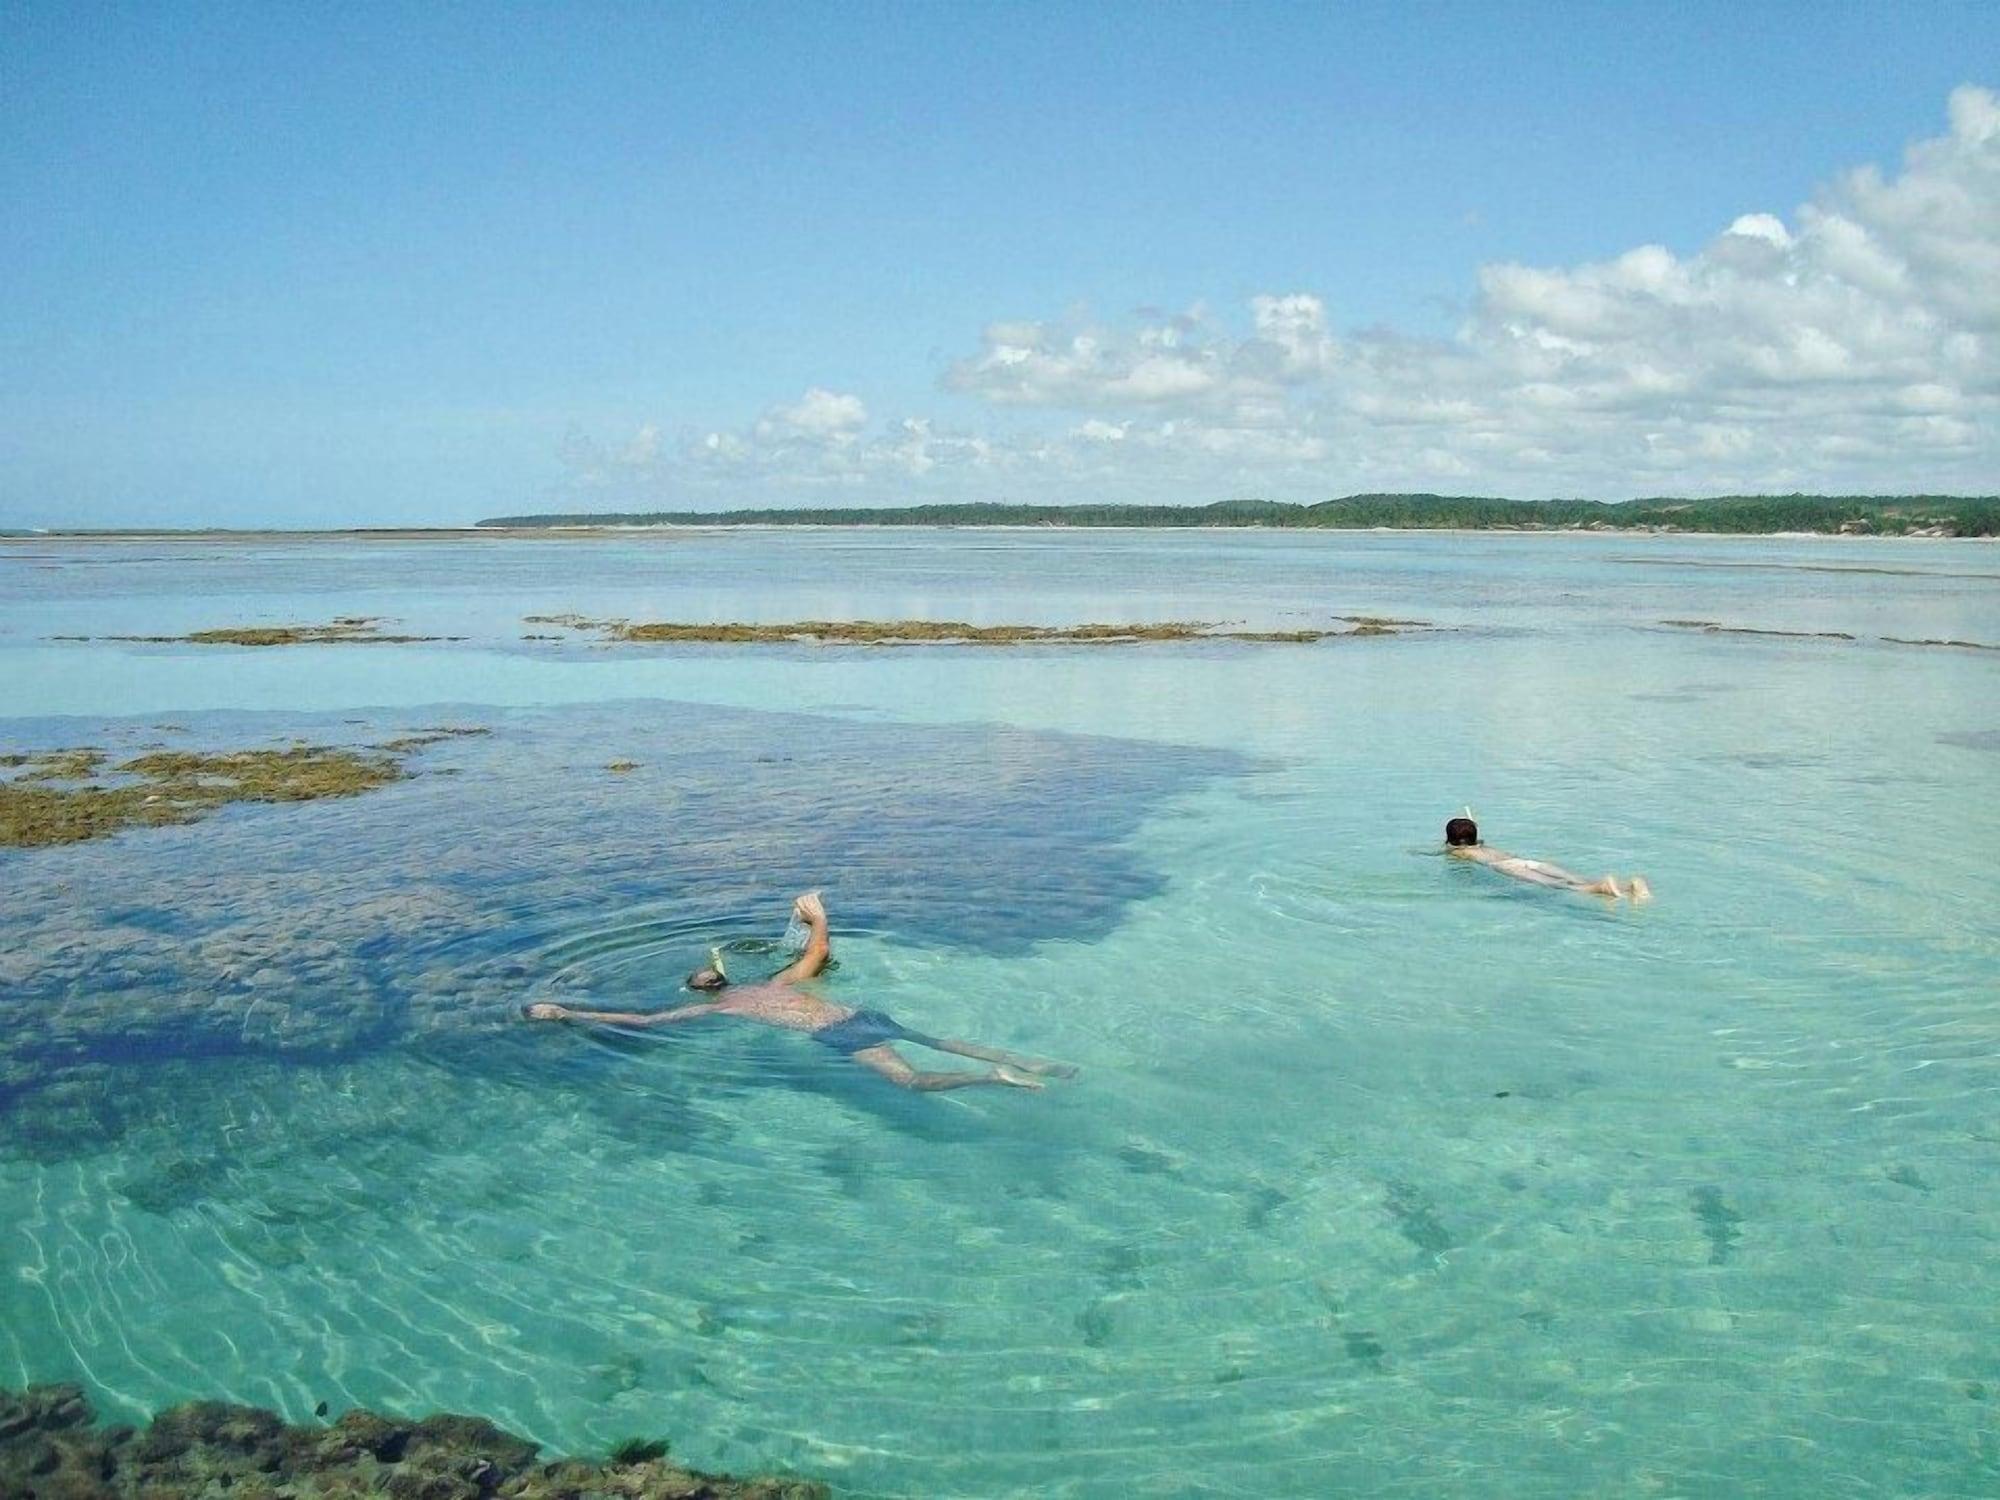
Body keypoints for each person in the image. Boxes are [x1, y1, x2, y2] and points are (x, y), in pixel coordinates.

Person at [525, 891, 1074, 1092]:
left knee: (909, 1082)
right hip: (862, 1012)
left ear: (704, 992)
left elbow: (641, 1022)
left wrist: (564, 1011)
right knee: (944, 1041)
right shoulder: (772, 982)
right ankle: (1035, 1063)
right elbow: (815, 952)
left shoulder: (732, 1006)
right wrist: (816, 915)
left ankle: (994, 1080)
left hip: (836, 1032)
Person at [1444, 814, 1652, 902]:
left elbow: (1449, 850)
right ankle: (1627, 888)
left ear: (1451, 839)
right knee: (1573, 878)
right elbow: (1474, 840)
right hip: (1526, 861)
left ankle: (1601, 889)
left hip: (1509, 868)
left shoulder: (1460, 852)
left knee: (1559, 885)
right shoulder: (1483, 846)